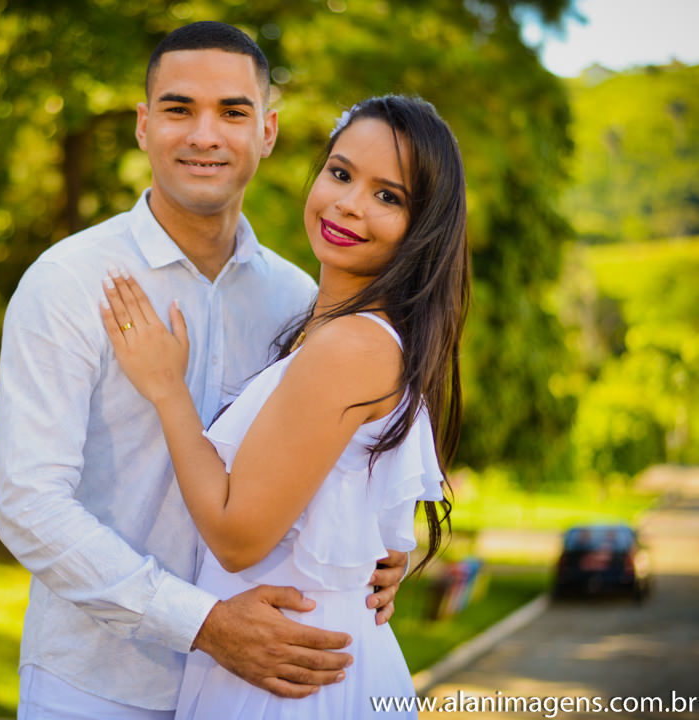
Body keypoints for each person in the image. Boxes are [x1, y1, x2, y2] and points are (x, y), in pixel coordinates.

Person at [0, 21, 409, 720]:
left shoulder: (300, 302)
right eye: (179, 109)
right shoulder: (68, 282)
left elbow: (319, 473)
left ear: (268, 132)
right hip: (96, 688)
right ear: (143, 125)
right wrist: (203, 624)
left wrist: (378, 552)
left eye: (233, 112)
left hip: (253, 693)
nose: (204, 135)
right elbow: (29, 507)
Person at [98, 94, 468, 718]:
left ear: (422, 225)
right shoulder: (339, 331)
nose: (348, 203)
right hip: (297, 654)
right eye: (342, 173)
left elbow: (238, 536)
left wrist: (168, 390)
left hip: (290, 674)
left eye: (388, 196)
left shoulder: (351, 345)